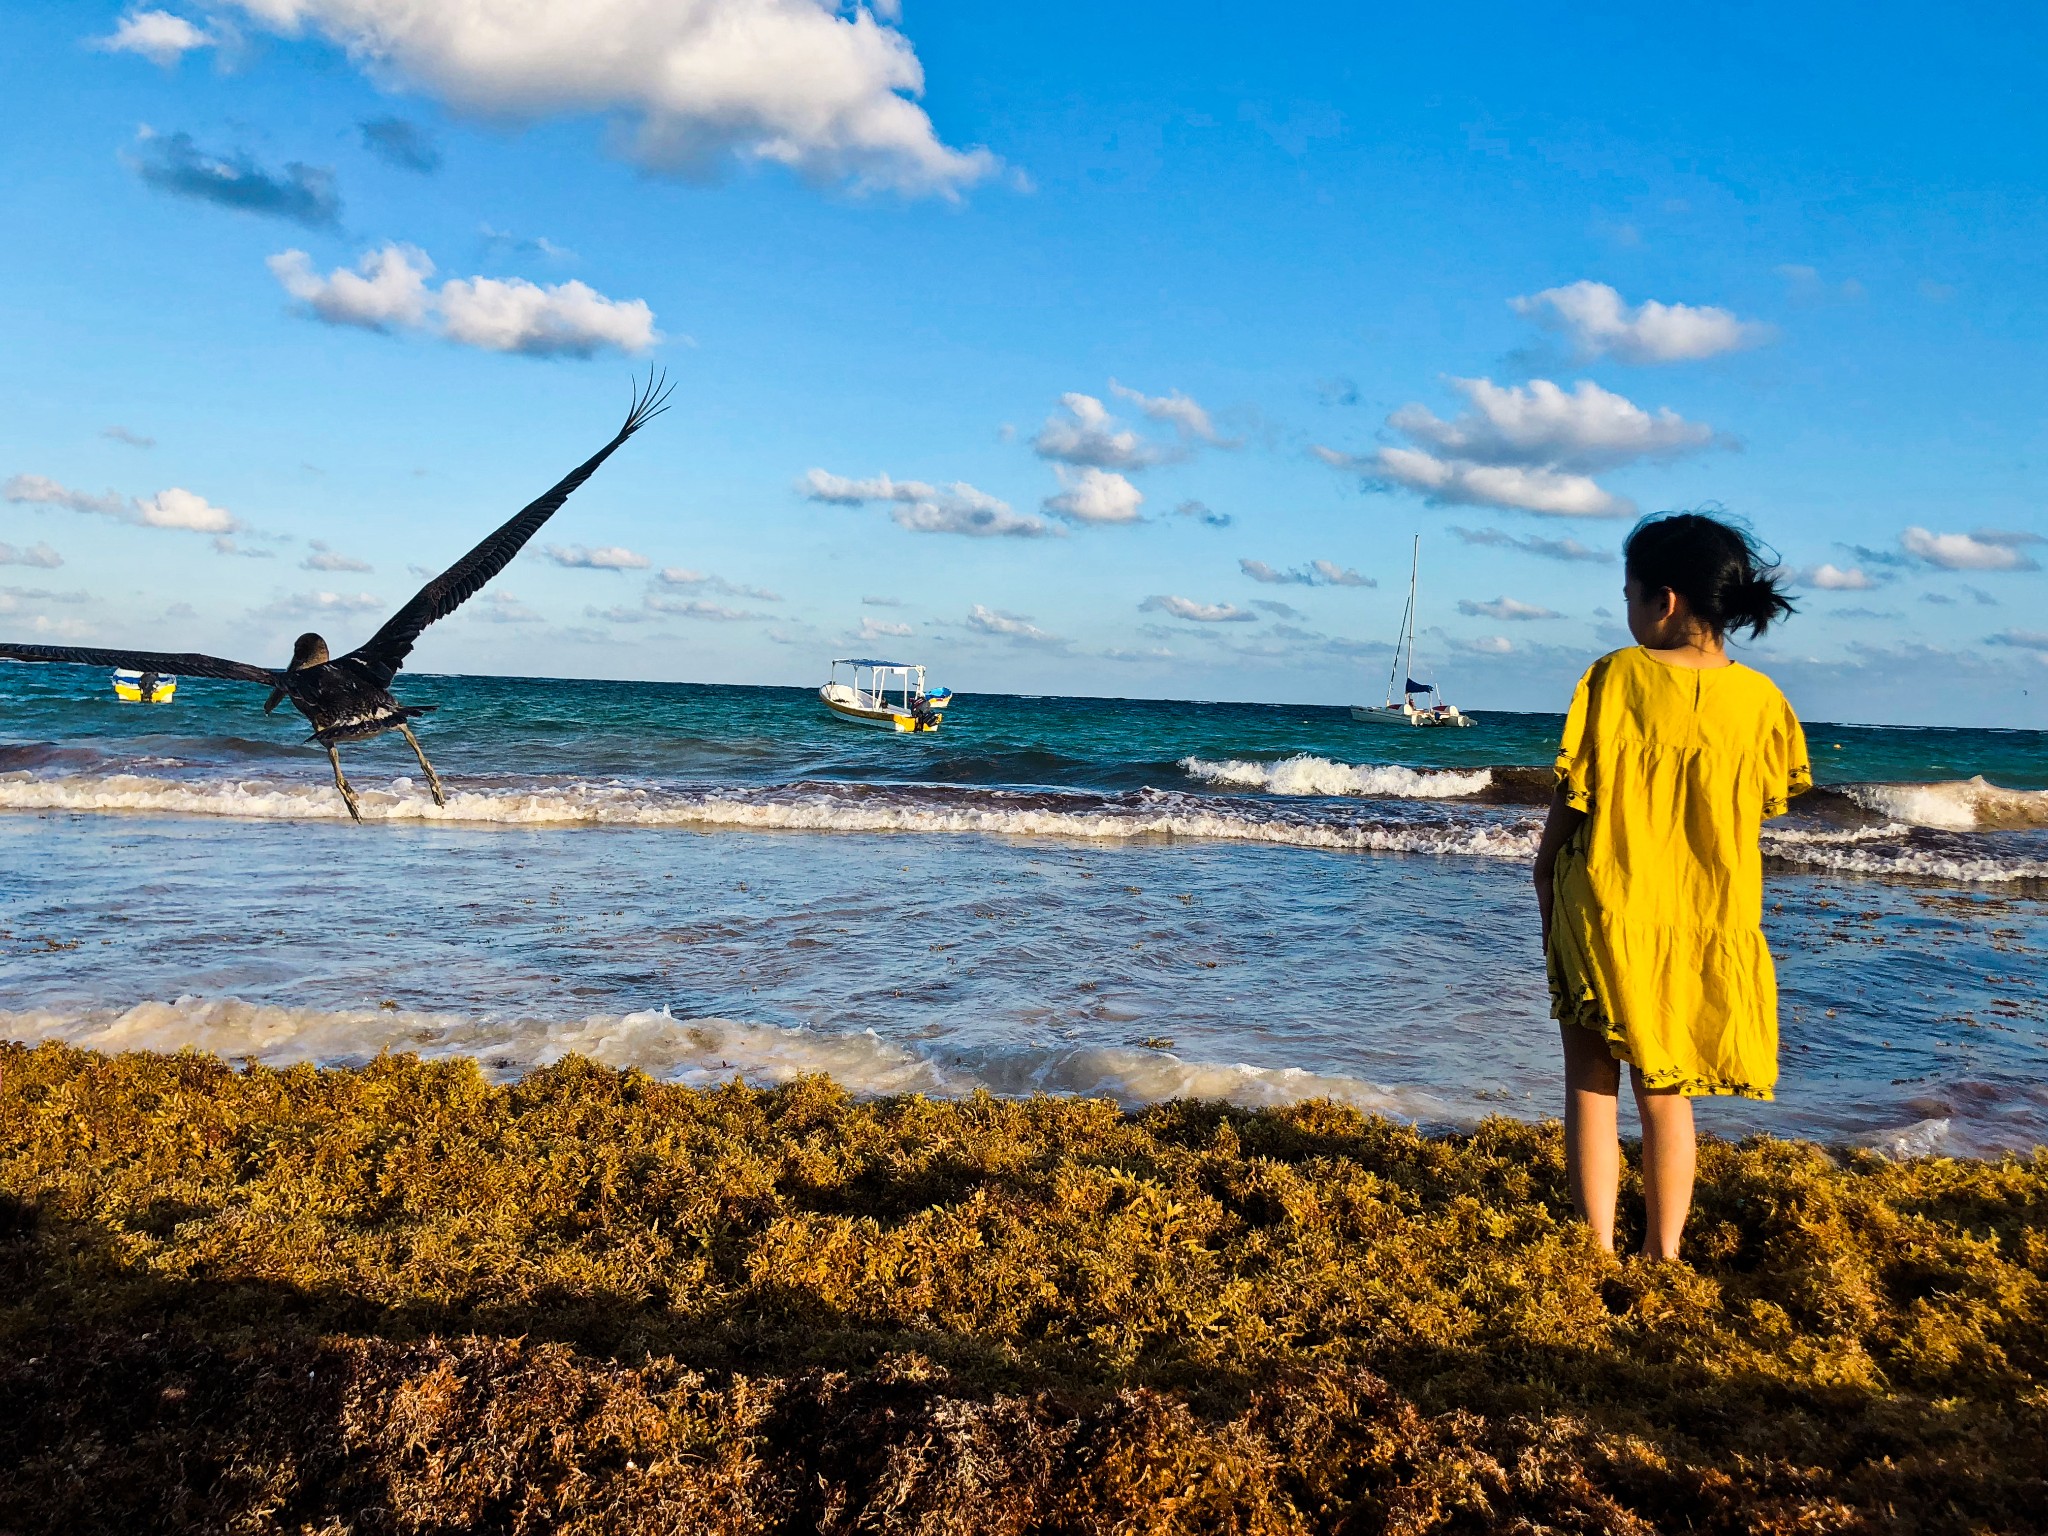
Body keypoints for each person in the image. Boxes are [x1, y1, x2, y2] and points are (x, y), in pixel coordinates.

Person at [1531, 511, 1806, 1262]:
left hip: (1608, 900)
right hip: (1705, 916)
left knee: (1590, 1080)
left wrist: (1543, 867)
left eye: (1629, 594)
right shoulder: (1764, 703)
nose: (1627, 611)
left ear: (1666, 600)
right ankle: (1665, 1252)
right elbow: (1750, 811)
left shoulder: (1615, 676)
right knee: (1667, 1088)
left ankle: (1593, 1250)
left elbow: (1575, 792)